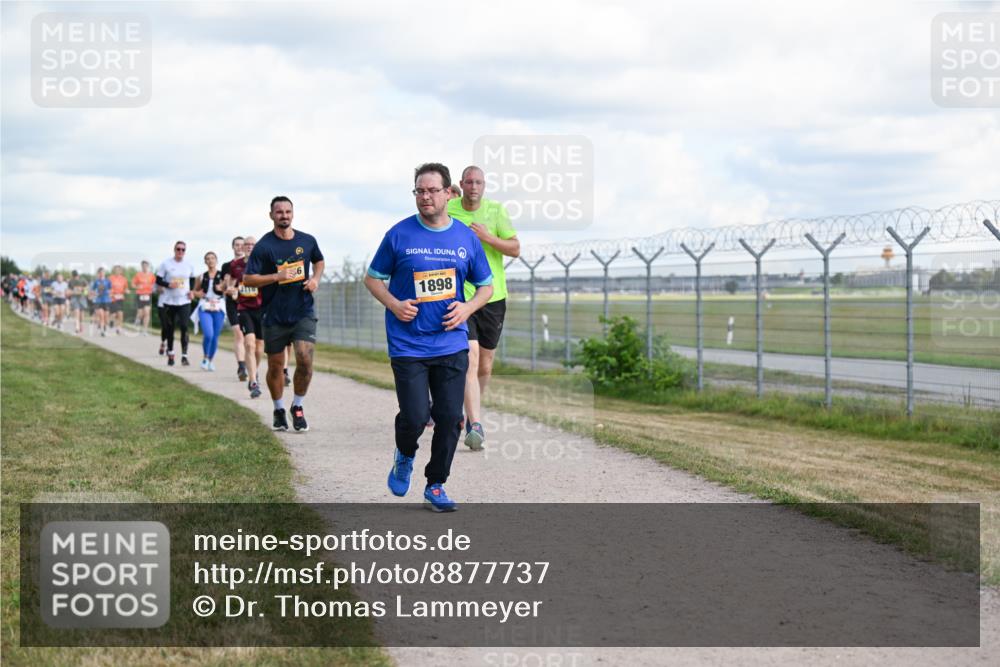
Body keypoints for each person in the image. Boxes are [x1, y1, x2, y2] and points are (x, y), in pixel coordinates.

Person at [365, 163, 493, 512]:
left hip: (451, 341)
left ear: (449, 193)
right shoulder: (399, 234)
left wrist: (467, 310)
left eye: (432, 190)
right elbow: (373, 278)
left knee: (452, 418)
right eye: (419, 191)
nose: (425, 197)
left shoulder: (465, 237)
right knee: (416, 416)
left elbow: (486, 286)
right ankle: (404, 455)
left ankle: (436, 484)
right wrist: (393, 303)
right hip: (408, 343)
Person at [447, 165, 520, 450]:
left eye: (479, 182)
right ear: (461, 185)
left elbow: (515, 248)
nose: (474, 186)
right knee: (471, 357)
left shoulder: (496, 211)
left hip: (493, 295)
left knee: (485, 365)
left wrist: (488, 237)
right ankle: (475, 423)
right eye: (469, 182)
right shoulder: (450, 209)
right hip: (461, 295)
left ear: (484, 186)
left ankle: (472, 406)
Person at [242, 197, 324, 432]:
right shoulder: (264, 246)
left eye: (288, 211)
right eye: (279, 212)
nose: (284, 215)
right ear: (271, 216)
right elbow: (248, 279)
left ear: (293, 214)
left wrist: (315, 279)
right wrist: (278, 276)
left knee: (305, 358)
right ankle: (278, 408)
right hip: (274, 314)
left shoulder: (307, 241)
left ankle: (297, 407)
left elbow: (319, 260)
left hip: (303, 311)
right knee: (276, 366)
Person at [223, 236, 266, 398]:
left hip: (261, 309)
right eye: (246, 244)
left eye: (252, 244)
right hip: (244, 309)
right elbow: (231, 285)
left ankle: (254, 370)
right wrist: (232, 290)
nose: (249, 247)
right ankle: (253, 381)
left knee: (259, 346)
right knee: (249, 344)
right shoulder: (235, 266)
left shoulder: (263, 264)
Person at [155, 241, 196, 366]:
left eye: (183, 250)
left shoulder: (189, 264)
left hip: (184, 301)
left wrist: (191, 291)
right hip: (169, 301)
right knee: (169, 328)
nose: (180, 252)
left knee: (184, 326)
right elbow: (158, 280)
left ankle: (184, 355)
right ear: (174, 250)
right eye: (178, 249)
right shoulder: (166, 264)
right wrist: (168, 284)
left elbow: (192, 279)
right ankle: (171, 353)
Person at [220, 236, 249, 381]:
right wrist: (227, 287)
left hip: (248, 303)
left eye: (241, 245)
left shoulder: (251, 263)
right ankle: (241, 366)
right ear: (232, 247)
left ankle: (249, 364)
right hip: (232, 303)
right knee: (238, 334)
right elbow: (222, 288)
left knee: (249, 338)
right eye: (236, 245)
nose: (239, 247)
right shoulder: (227, 266)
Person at [194, 251, 227, 371]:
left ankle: (211, 360)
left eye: (212, 258)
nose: (210, 260)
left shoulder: (223, 276)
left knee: (215, 336)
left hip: (218, 307)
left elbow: (227, 290)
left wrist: (223, 288)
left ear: (216, 260)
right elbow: (195, 292)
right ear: (205, 262)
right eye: (208, 259)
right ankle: (205, 358)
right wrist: (198, 294)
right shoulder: (201, 276)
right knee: (208, 334)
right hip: (205, 306)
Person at [132, 261, 156, 336]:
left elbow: (154, 284)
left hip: (148, 295)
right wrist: (137, 286)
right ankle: (137, 319)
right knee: (140, 313)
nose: (145, 267)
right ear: (141, 266)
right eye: (143, 266)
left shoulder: (151, 275)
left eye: (146, 266)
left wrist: (153, 288)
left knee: (147, 312)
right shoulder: (138, 275)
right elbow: (133, 284)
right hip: (140, 295)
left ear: (148, 266)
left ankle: (145, 330)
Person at [90, 268, 112, 336]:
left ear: (104, 273)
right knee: (101, 315)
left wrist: (109, 293)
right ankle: (102, 331)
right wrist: (95, 294)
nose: (102, 274)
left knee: (106, 317)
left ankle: (104, 328)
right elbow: (92, 290)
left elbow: (111, 290)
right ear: (98, 274)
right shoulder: (96, 281)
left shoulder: (108, 281)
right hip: (99, 300)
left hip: (106, 300)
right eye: (100, 272)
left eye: (103, 272)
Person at [108, 265, 129, 334]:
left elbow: (125, 288)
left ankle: (119, 328)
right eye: (116, 270)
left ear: (121, 271)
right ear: (114, 271)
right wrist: (110, 293)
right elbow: (107, 287)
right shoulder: (110, 278)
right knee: (113, 314)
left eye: (119, 270)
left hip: (120, 298)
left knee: (120, 313)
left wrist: (127, 291)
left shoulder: (124, 279)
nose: (117, 271)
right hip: (113, 298)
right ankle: (111, 321)